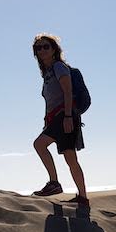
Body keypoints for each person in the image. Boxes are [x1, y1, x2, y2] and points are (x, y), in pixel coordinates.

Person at [31, 34, 89, 206]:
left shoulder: (59, 67)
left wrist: (69, 116)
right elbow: (49, 100)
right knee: (68, 157)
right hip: (55, 118)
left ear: (54, 49)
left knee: (45, 147)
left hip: (65, 117)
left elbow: (68, 91)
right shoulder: (47, 73)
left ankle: (58, 185)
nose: (42, 50)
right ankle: (81, 197)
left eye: (46, 46)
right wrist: (46, 119)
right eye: (38, 48)